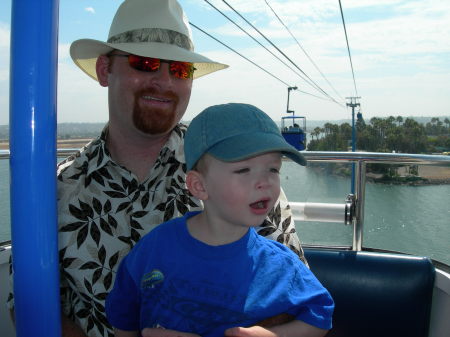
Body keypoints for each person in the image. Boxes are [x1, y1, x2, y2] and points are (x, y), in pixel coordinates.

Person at [7, 1, 308, 337]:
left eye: (179, 69)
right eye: (145, 63)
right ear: (105, 70)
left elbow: (292, 295)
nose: (164, 82)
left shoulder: (246, 175)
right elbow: (28, 306)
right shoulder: (58, 189)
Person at [105, 103, 334, 337]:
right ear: (199, 185)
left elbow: (320, 317)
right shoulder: (153, 249)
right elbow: (123, 317)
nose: (264, 182)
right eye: (244, 170)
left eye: (273, 169)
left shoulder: (281, 266)